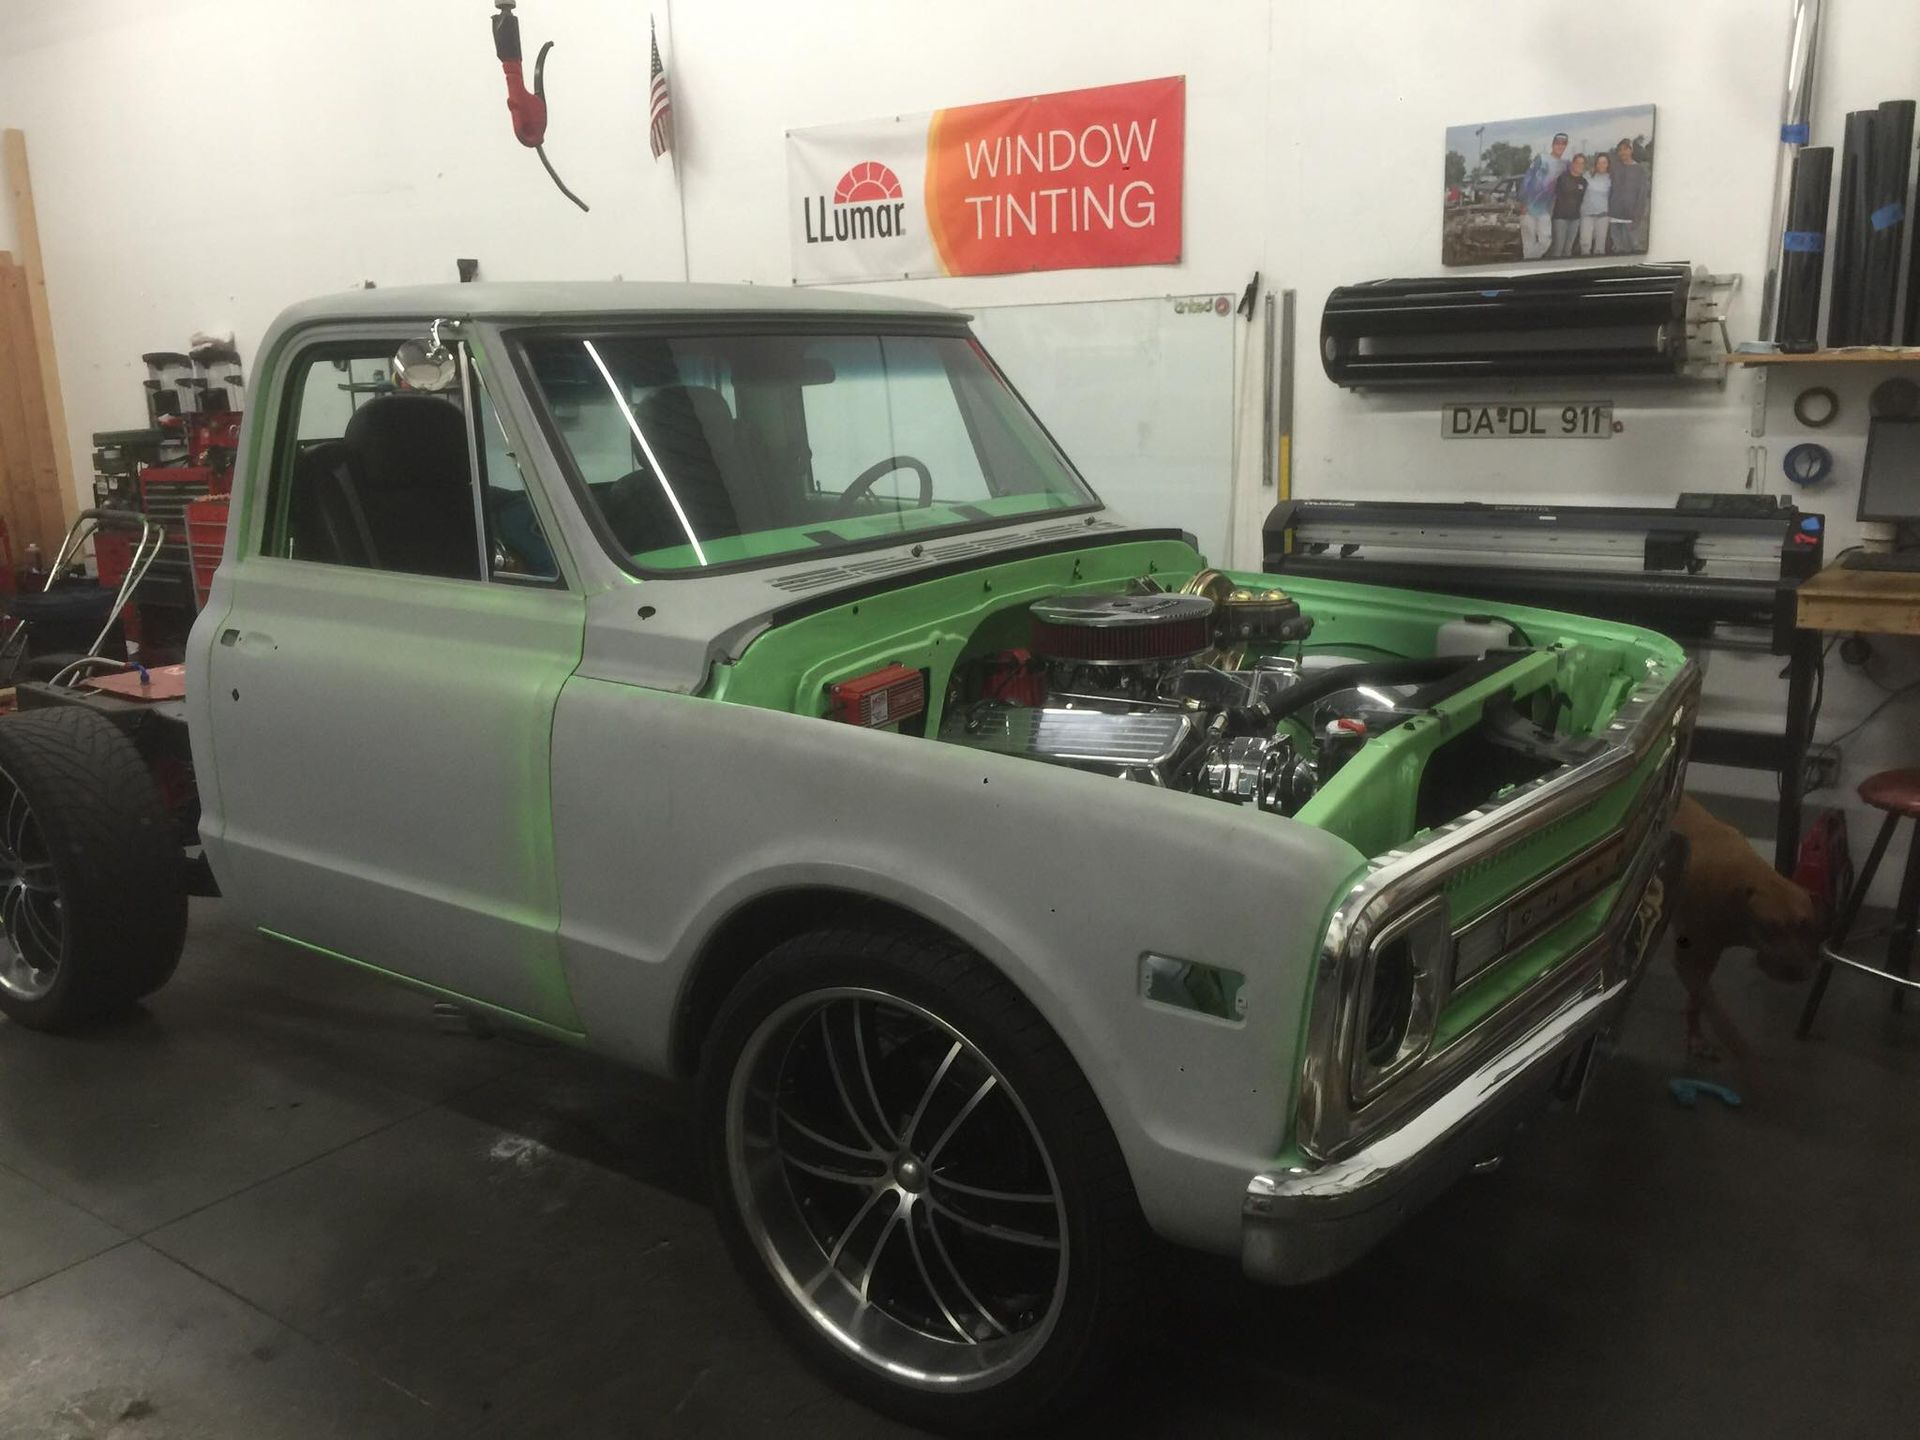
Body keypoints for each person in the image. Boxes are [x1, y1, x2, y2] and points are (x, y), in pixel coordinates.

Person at [1518, 132, 1569, 260]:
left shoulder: (1565, 164)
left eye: (1563, 144)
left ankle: (1528, 261)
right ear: (1553, 145)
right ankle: (1530, 267)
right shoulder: (1541, 158)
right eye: (1557, 144)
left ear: (1565, 147)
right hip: (1528, 207)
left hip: (1545, 209)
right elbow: (1527, 179)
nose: (1560, 147)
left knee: (1545, 240)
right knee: (1528, 241)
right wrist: (1523, 202)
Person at [1608, 137, 1651, 254]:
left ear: (1631, 150)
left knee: (1632, 249)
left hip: (1631, 217)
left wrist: (1637, 217)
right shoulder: (1615, 168)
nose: (1623, 152)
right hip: (1614, 216)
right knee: (1618, 249)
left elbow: (1642, 195)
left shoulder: (1639, 169)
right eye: (1620, 150)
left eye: (1626, 149)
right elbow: (1610, 189)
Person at [1549, 152, 1587, 257]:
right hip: (1560, 218)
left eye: (1582, 163)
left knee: (1568, 249)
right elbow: (1555, 196)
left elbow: (1582, 199)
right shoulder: (1562, 178)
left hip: (1575, 219)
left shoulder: (1584, 182)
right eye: (1578, 163)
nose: (1580, 165)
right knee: (1558, 248)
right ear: (1573, 164)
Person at [1578, 151, 1612, 254]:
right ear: (1595, 164)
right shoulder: (1587, 175)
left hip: (1603, 216)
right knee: (1585, 243)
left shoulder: (1611, 178)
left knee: (1600, 247)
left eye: (1604, 162)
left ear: (1608, 164)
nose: (1601, 165)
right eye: (1599, 162)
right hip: (1587, 215)